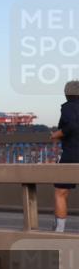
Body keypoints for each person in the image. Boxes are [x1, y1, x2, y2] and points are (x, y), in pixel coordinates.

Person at [50, 80, 79, 232]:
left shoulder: (69, 107)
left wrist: (57, 134)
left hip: (73, 154)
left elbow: (72, 126)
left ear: (67, 94)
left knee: (61, 192)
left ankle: (59, 231)